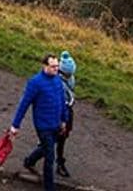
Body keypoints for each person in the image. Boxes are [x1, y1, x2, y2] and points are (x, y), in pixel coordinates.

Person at [7, 53, 68, 190]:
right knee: (50, 157)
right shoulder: (35, 83)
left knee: (47, 148)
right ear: (44, 66)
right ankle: (49, 188)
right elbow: (24, 104)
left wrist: (64, 120)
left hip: (56, 123)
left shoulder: (58, 80)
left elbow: (61, 101)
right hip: (43, 125)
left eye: (57, 66)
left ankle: (29, 161)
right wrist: (15, 125)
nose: (56, 69)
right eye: (53, 67)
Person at [55, 49, 77, 180]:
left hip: (67, 112)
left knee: (61, 139)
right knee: (51, 140)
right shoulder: (58, 82)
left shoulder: (69, 78)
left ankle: (59, 163)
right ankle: (31, 159)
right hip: (59, 114)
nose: (70, 76)